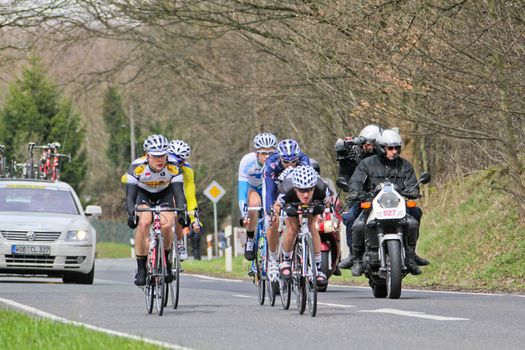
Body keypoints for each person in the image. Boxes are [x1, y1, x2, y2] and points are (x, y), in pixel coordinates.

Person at [348, 129, 423, 276]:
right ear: (381, 148)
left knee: (414, 218)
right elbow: (355, 182)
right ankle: (355, 259)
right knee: (356, 223)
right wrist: (355, 192)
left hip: (397, 204)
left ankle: (410, 255)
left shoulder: (405, 166)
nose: (394, 151)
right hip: (371, 205)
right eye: (390, 148)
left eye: (396, 148)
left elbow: (413, 185)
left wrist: (413, 191)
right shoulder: (366, 164)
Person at [122, 134, 186, 286]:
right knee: (144, 222)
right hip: (143, 195)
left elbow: (179, 194)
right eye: (156, 156)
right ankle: (141, 269)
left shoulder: (174, 167)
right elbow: (130, 197)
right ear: (147, 155)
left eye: (163, 155)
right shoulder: (136, 168)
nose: (160, 160)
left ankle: (167, 263)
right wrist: (132, 214)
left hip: (165, 194)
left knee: (166, 224)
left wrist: (182, 212)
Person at [273, 165, 331, 285]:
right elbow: (277, 207)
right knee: (293, 228)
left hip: (313, 203)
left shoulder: (321, 188)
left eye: (309, 190)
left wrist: (325, 209)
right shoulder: (286, 189)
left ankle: (318, 268)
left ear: (314, 187)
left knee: (312, 227)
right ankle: (286, 260)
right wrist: (281, 213)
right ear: (295, 188)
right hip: (291, 202)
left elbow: (329, 204)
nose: (305, 194)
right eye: (301, 190)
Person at [335, 124, 382, 269]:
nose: (369, 147)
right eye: (367, 144)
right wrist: (343, 157)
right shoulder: (355, 156)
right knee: (349, 218)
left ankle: (409, 253)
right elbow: (346, 176)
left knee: (413, 212)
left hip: (386, 197)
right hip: (363, 198)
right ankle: (354, 256)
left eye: (372, 144)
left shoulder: (388, 156)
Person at [263, 139, 310, 280]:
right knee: (273, 220)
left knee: (301, 217)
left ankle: (299, 254)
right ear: (279, 158)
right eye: (286, 162)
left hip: (295, 190)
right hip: (276, 190)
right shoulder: (271, 164)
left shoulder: (303, 160)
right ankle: (272, 259)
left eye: (293, 162)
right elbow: (269, 191)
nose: (290, 165)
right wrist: (272, 211)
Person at [237, 132, 278, 261]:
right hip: (253, 188)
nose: (267, 156)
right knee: (254, 204)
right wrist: (244, 212)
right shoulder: (247, 161)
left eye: (270, 153)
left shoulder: (278, 161)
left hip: (271, 188)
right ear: (256, 153)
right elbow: (242, 189)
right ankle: (250, 239)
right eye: (263, 153)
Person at [168, 139, 201, 260]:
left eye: (179, 162)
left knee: (178, 210)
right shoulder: (159, 163)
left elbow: (190, 196)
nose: (175, 164)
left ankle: (179, 241)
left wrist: (194, 219)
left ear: (183, 162)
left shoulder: (187, 171)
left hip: (175, 192)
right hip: (159, 190)